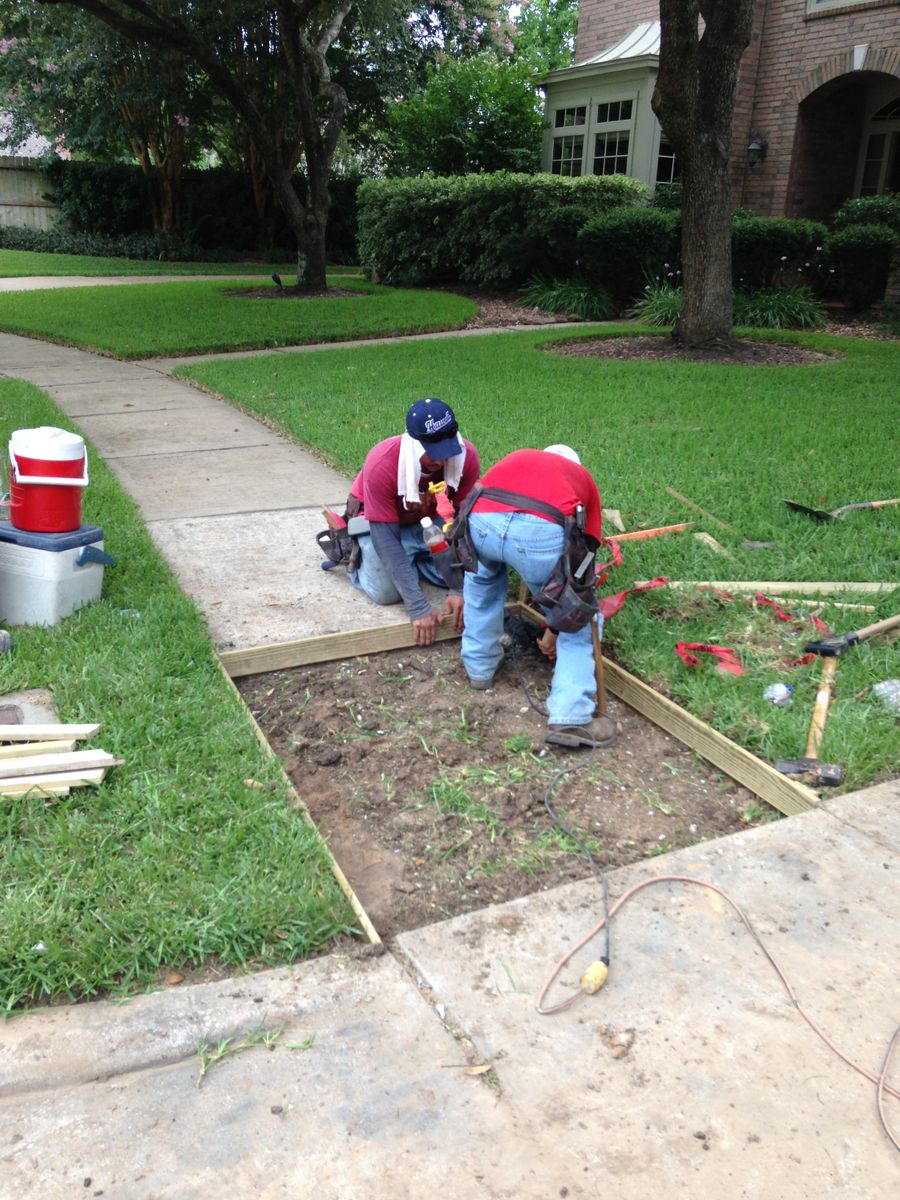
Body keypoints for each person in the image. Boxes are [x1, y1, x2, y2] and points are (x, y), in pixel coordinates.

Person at [459, 444, 615, 748]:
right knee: (581, 618)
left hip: (481, 520)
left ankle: (479, 670)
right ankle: (572, 718)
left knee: (483, 588)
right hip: (538, 532)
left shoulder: (521, 456)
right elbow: (584, 562)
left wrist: (549, 627)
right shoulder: (581, 479)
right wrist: (560, 623)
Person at [347, 398, 481, 646]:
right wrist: (418, 607)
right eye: (433, 453)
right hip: (382, 525)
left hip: (431, 520)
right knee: (387, 593)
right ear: (415, 444)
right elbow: (385, 538)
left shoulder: (466, 456)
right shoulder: (382, 462)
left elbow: (463, 521)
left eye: (447, 452)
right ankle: (359, 556)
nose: (441, 463)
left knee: (471, 575)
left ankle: (413, 562)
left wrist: (458, 588)